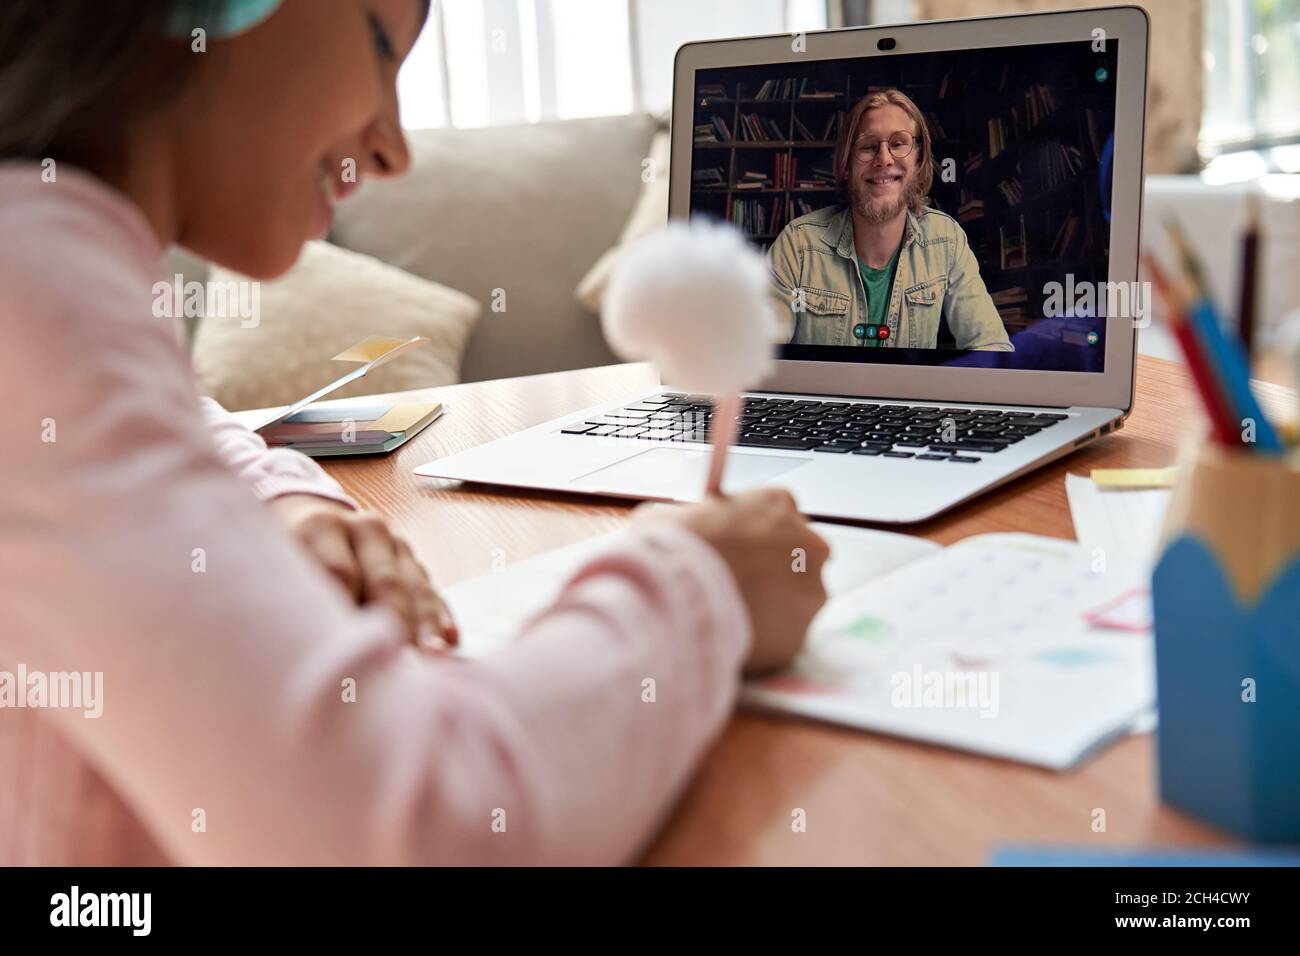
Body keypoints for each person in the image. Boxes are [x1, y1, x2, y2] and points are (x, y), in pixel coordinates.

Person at [0, 0, 828, 865]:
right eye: (383, 44)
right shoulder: (35, 293)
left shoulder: (49, 263)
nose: (393, 148)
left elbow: (181, 422)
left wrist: (283, 507)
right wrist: (705, 587)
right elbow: (415, 832)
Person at [768, 89, 1012, 352]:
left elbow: (991, 349)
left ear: (918, 160)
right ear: (847, 166)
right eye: (868, 146)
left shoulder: (946, 239)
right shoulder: (798, 244)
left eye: (897, 144)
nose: (883, 159)